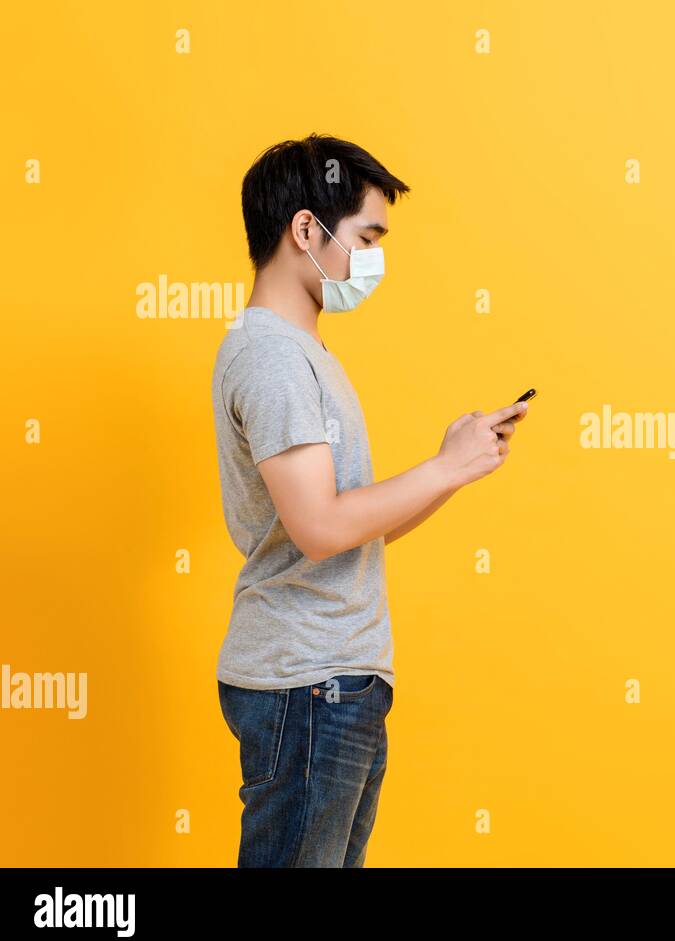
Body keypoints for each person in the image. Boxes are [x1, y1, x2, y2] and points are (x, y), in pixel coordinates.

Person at [210, 134, 529, 866]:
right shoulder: (272, 357)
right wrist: (442, 464)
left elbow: (355, 526)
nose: (373, 259)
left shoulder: (308, 355)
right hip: (308, 680)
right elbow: (320, 527)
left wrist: (454, 468)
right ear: (304, 231)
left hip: (337, 678)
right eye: (365, 236)